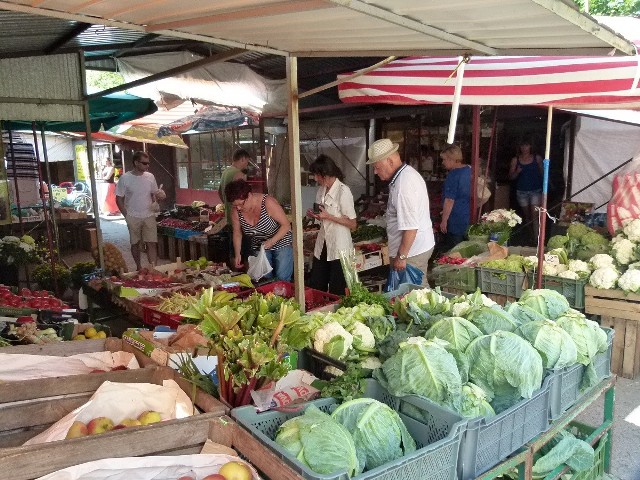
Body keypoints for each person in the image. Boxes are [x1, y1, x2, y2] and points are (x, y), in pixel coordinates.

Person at [367, 138, 435, 285]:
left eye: (377, 167)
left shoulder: (403, 185)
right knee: (412, 294)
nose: (375, 171)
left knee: (415, 295)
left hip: (412, 253)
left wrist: (401, 257)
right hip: (417, 247)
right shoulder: (406, 174)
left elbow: (411, 227)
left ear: (390, 161)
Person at [306, 154, 357, 295]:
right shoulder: (321, 190)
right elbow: (323, 216)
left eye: (317, 175)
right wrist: (316, 215)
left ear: (326, 174)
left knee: (337, 288)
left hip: (339, 245)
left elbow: (353, 223)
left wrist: (329, 216)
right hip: (323, 243)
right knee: (317, 283)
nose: (316, 179)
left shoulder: (343, 191)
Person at [225, 179, 293, 281]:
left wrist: (271, 241)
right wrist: (237, 253)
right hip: (259, 246)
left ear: (249, 195)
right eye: (235, 205)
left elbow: (286, 225)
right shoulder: (236, 211)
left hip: (281, 242)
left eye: (241, 204)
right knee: (263, 278)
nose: (238, 208)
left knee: (282, 277)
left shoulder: (268, 202)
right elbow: (237, 233)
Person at [115, 151, 166, 271]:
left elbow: (155, 193)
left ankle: (153, 269)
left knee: (152, 242)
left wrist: (160, 197)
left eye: (148, 163)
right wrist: (126, 215)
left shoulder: (150, 177)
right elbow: (118, 198)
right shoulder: (125, 178)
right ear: (136, 162)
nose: (147, 166)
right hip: (132, 215)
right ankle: (138, 267)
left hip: (149, 215)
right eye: (144, 163)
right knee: (135, 243)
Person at [440, 144, 472, 253]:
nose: (443, 162)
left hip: (456, 217)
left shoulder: (453, 175)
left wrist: (444, 220)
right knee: (468, 248)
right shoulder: (469, 169)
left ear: (451, 159)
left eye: (444, 159)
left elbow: (449, 200)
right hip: (468, 214)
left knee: (456, 251)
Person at [509, 139, 543, 235]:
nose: (524, 148)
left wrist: (547, 186)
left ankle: (536, 239)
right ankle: (531, 236)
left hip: (536, 190)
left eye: (527, 145)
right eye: (522, 146)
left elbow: (543, 173)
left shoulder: (537, 158)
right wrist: (517, 172)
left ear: (531, 146)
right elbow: (511, 177)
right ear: (519, 147)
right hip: (521, 191)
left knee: (535, 216)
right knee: (527, 216)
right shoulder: (515, 160)